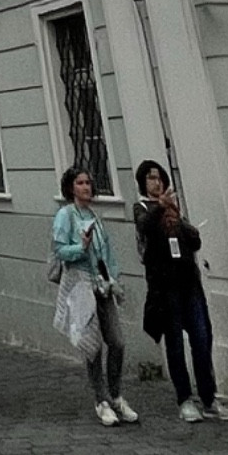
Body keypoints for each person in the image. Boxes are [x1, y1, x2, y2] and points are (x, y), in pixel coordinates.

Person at [131, 160, 228, 424]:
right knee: (175, 343)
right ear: (143, 182)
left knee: (201, 338)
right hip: (165, 288)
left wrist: (185, 225)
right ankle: (184, 399)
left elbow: (194, 242)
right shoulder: (142, 208)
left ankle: (209, 398)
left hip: (189, 283)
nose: (157, 183)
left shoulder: (174, 207)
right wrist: (161, 209)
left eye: (160, 178)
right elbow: (145, 229)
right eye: (152, 178)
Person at [52, 166, 139, 427]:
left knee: (117, 342)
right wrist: (81, 247)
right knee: (92, 345)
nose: (86, 187)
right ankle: (101, 400)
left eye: (89, 183)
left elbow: (107, 253)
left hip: (102, 286)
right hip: (80, 286)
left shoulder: (95, 217)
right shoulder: (65, 215)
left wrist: (113, 278)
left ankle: (116, 394)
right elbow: (60, 251)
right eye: (80, 183)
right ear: (70, 188)